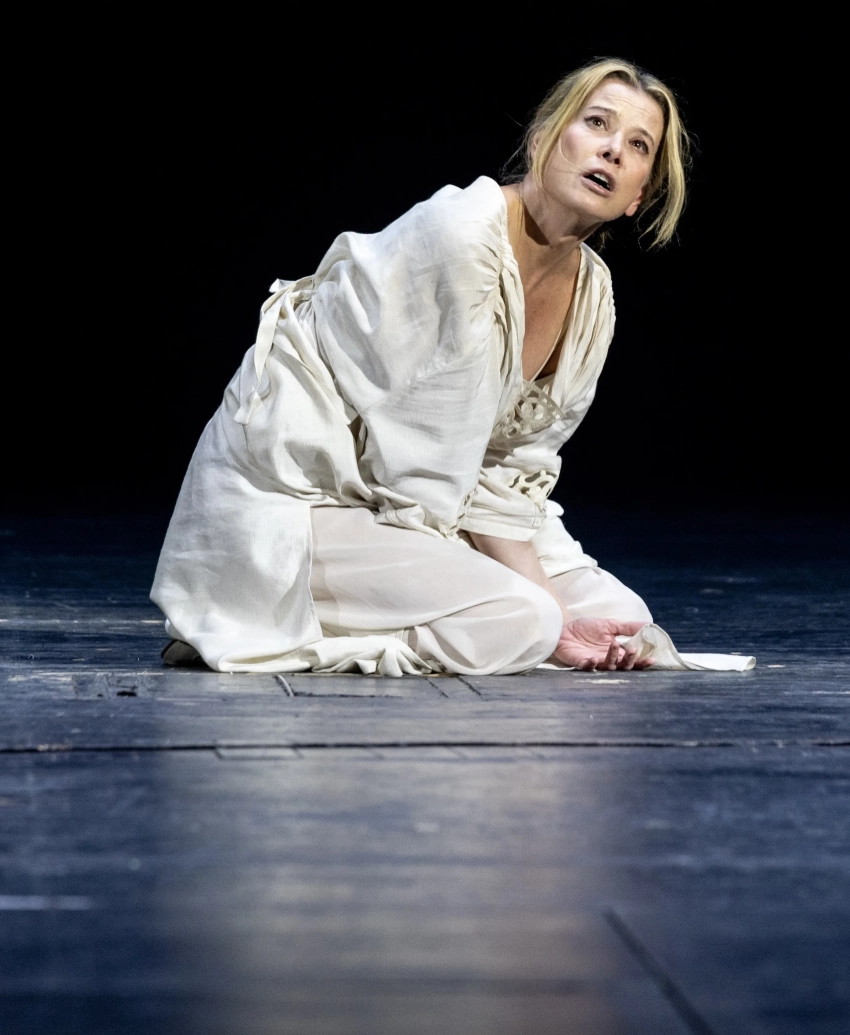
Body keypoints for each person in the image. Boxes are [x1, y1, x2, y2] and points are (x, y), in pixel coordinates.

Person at [152, 57, 690, 677]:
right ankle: (274, 614)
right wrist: (548, 613)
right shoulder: (461, 236)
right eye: (596, 123)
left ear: (638, 196)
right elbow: (418, 473)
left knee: (626, 621)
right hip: (303, 502)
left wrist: (556, 608)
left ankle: (485, 626)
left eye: (638, 145)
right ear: (542, 140)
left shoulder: (592, 296)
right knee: (529, 618)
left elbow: (512, 469)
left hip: (431, 502)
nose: (613, 150)